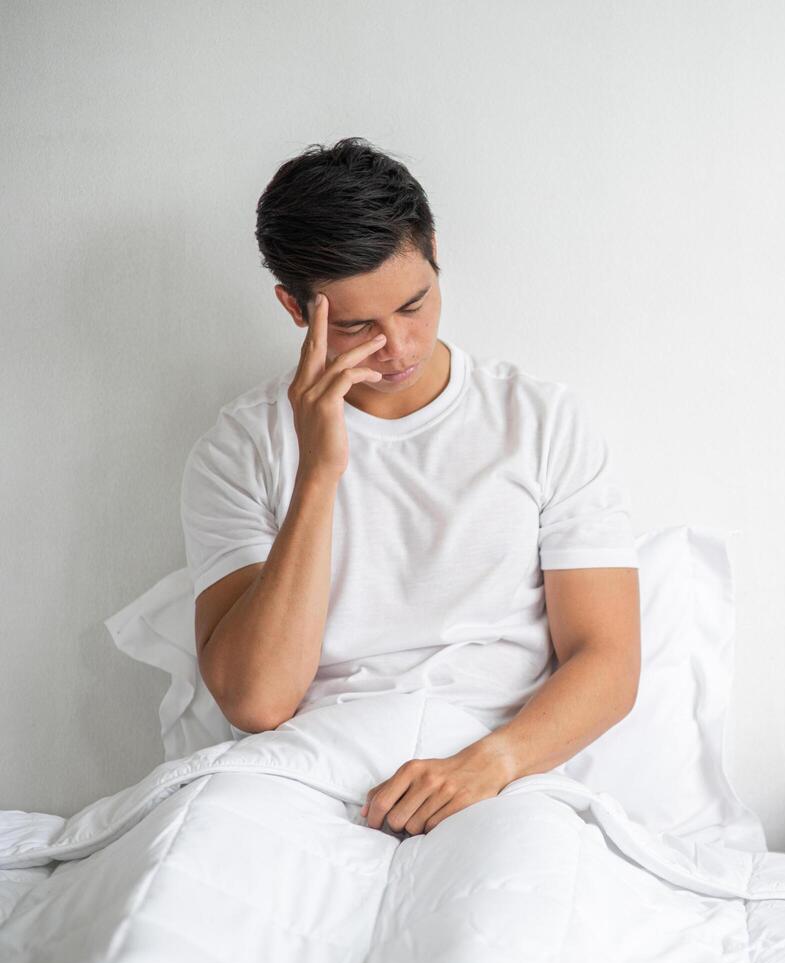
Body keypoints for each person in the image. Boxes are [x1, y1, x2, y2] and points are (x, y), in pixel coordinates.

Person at [181, 136, 641, 838]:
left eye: (415, 305)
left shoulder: (539, 421)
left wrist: (488, 764)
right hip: (308, 768)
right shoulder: (242, 447)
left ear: (434, 253)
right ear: (295, 309)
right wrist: (318, 473)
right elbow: (257, 700)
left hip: (499, 770)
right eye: (358, 326)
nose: (397, 346)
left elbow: (607, 661)